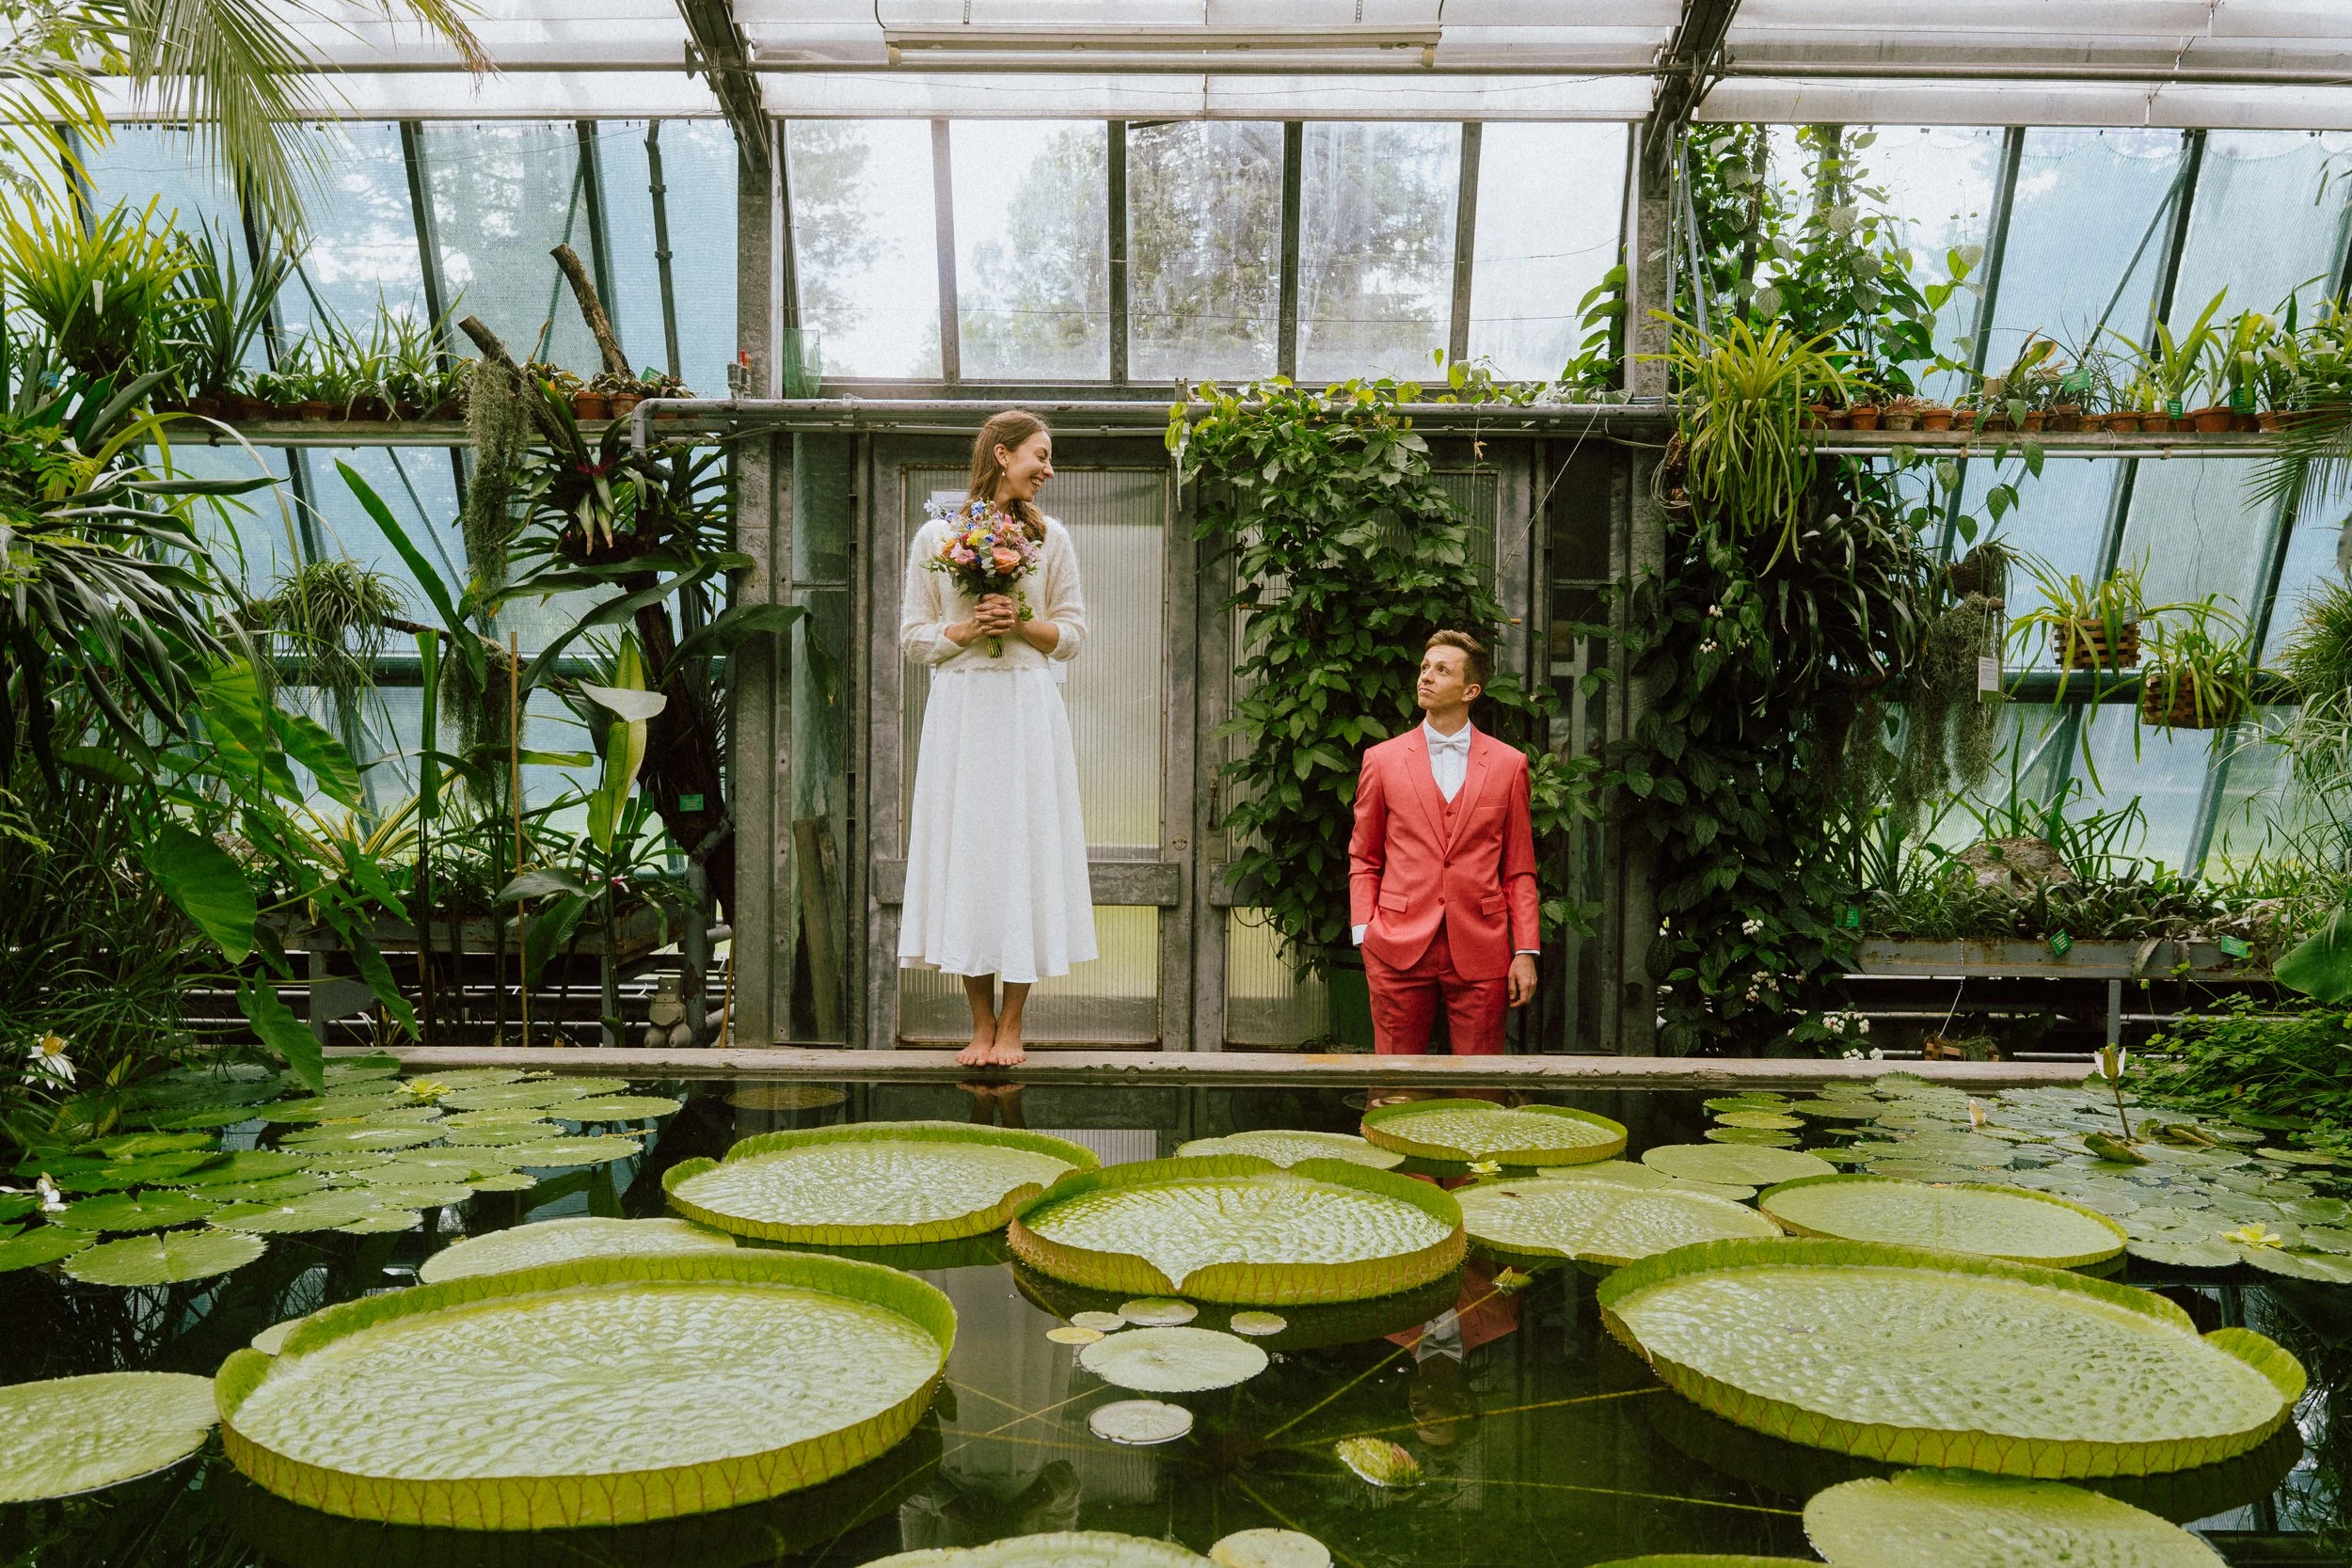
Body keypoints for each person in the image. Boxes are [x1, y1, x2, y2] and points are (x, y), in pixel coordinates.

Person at [898, 409, 1097, 1067]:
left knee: (1021, 856)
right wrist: (962, 630)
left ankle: (1013, 1024)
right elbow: (912, 636)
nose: (1048, 469)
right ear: (1003, 453)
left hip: (1026, 710)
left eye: (1050, 459)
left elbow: (1072, 635)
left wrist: (1019, 623)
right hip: (961, 712)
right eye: (1040, 456)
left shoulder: (1053, 539)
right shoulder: (936, 535)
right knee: (970, 856)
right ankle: (978, 1023)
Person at [1346, 630, 1539, 1054]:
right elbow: (1364, 856)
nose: (1425, 677)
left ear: (1471, 690)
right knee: (1395, 1089)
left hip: (1482, 948)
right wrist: (1365, 930)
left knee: (1479, 1089)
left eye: (1441, 669)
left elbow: (1519, 868)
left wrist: (1524, 949)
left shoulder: (1509, 766)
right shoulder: (1382, 760)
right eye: (1424, 667)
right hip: (1395, 944)